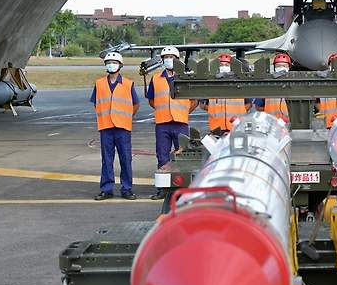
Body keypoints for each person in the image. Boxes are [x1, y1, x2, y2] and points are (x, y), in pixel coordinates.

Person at [147, 46, 198, 200]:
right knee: (162, 156)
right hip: (162, 122)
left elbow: (194, 100)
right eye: (166, 57)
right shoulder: (156, 78)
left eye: (171, 57)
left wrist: (183, 112)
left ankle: (183, 188)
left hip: (180, 122)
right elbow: (151, 99)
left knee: (183, 155)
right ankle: (163, 189)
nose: (169, 60)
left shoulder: (185, 77)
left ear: (177, 59)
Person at [90, 52, 139, 201]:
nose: (111, 65)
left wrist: (125, 117)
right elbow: (96, 103)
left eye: (114, 62)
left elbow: (135, 104)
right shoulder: (99, 84)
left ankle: (127, 188)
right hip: (106, 127)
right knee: (107, 159)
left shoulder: (128, 84)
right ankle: (106, 189)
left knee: (125, 159)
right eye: (109, 62)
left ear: (120, 65)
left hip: (122, 128)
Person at [199, 53, 251, 135]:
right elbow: (202, 104)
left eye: (226, 65)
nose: (224, 67)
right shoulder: (210, 84)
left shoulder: (240, 84)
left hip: (236, 126)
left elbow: (248, 104)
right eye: (221, 65)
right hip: (216, 127)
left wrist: (239, 112)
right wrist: (213, 111)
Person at [254, 53, 291, 122]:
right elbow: (258, 106)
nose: (281, 68)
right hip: (271, 124)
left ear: (289, 67)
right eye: (278, 66)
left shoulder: (295, 85)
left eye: (284, 66)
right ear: (274, 67)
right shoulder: (267, 85)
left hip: (289, 124)